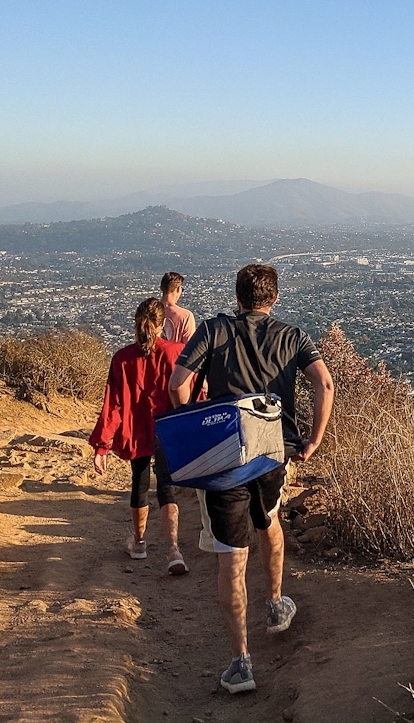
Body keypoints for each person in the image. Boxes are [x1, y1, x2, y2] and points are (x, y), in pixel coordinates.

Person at [168, 263, 334, 695]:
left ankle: (241, 664)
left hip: (225, 459)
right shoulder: (293, 335)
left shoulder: (212, 330)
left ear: (237, 298)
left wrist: (197, 428)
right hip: (273, 453)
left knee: (231, 556)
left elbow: (177, 385)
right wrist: (313, 440)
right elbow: (325, 384)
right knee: (270, 519)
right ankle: (277, 603)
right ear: (273, 299)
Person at [90, 298, 194, 575]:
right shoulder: (177, 353)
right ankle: (174, 550)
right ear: (164, 325)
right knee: (167, 487)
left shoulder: (122, 359)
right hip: (169, 429)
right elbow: (192, 395)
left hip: (135, 430)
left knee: (139, 481)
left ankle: (138, 542)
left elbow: (112, 405)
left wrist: (102, 447)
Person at [160, 272, 197, 345]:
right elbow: (190, 347)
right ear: (178, 289)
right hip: (176, 355)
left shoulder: (149, 311)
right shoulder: (186, 316)